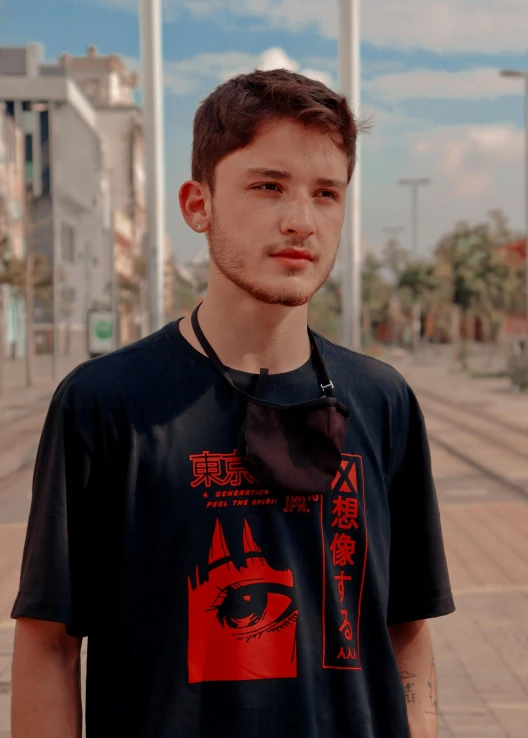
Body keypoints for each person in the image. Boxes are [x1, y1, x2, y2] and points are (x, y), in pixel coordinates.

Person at [11, 68, 454, 738]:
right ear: (198, 204)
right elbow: (48, 641)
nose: (300, 220)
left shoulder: (382, 400)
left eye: (326, 193)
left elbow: (405, 628)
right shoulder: (105, 406)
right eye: (268, 186)